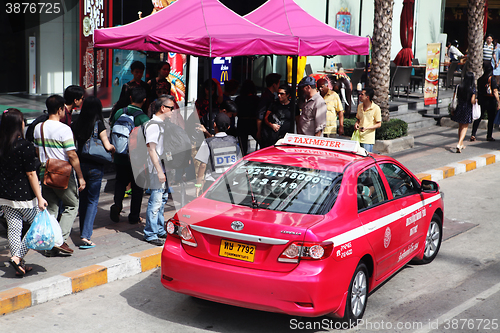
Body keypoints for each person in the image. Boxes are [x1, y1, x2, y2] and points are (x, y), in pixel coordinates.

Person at [33, 95, 86, 255]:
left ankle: (49, 244)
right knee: (72, 205)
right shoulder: (64, 129)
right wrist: (81, 177)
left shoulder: (38, 127)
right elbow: (72, 155)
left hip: (45, 172)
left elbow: (37, 151)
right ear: (59, 109)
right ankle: (59, 240)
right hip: (63, 174)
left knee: (52, 207)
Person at [0, 109, 48, 276]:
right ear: (18, 124)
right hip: (24, 196)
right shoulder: (25, 146)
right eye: (22, 120)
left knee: (14, 228)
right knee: (36, 226)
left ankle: (19, 264)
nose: (25, 123)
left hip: (5, 195)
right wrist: (40, 197)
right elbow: (31, 174)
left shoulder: (1, 144)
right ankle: (17, 257)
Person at [72, 96, 115, 249]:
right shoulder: (99, 125)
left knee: (83, 200)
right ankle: (86, 236)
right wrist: (113, 149)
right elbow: (107, 145)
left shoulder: (76, 124)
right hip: (96, 166)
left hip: (81, 165)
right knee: (92, 201)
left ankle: (83, 230)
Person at [109, 87, 150, 224]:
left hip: (120, 156)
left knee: (120, 182)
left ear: (130, 98)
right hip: (137, 159)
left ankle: (117, 205)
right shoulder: (143, 118)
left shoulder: (119, 112)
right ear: (144, 100)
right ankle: (133, 216)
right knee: (138, 188)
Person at [143, 95, 175, 246]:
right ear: (163, 108)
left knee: (162, 199)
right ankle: (150, 233)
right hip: (157, 169)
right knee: (156, 201)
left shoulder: (161, 124)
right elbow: (151, 150)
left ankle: (159, 229)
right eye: (171, 108)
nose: (172, 111)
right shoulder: (153, 125)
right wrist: (159, 171)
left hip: (163, 167)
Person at [195, 113, 241, 197]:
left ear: (214, 125)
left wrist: (198, 185)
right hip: (230, 182)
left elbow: (203, 165)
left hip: (212, 183)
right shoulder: (234, 141)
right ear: (228, 127)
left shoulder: (208, 143)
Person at [471, 62, 500, 142]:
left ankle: (473, 134)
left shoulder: (480, 79)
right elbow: (494, 91)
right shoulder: (491, 79)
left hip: (482, 99)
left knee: (479, 117)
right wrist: (498, 102)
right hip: (491, 101)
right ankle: (489, 135)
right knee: (491, 119)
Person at [451, 72, 476, 153]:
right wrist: (475, 100)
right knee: (465, 127)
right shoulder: (472, 88)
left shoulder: (458, 86)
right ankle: (459, 143)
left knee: (460, 126)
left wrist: (452, 109)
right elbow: (472, 101)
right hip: (467, 108)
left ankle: (461, 143)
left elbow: (454, 98)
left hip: (459, 107)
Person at [235, 79, 260, 155]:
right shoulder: (256, 99)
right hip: (252, 122)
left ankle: (243, 158)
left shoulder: (239, 99)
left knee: (243, 145)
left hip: (242, 122)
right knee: (260, 140)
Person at [354, 87, 382, 152]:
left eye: (362, 94)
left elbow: (379, 124)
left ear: (367, 97)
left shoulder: (376, 108)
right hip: (358, 137)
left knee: (366, 159)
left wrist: (367, 128)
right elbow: (358, 119)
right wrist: (356, 124)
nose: (360, 96)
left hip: (368, 139)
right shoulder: (359, 106)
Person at [256, 73, 281, 143]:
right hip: (266, 130)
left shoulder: (271, 96)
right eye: (278, 84)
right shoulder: (266, 97)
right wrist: (259, 131)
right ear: (274, 85)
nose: (279, 86)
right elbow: (260, 115)